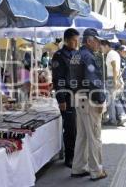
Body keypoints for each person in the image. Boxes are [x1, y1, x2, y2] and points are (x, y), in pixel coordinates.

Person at [70, 28, 107, 181]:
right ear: (90, 40)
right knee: (94, 136)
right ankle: (96, 170)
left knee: (83, 135)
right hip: (89, 98)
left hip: (79, 97)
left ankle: (78, 167)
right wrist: (100, 100)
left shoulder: (76, 55)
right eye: (97, 40)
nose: (99, 44)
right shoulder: (88, 56)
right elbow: (93, 80)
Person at [52, 28, 79, 168]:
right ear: (67, 40)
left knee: (77, 128)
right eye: (74, 40)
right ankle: (69, 157)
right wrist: (61, 99)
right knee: (70, 128)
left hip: (78, 96)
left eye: (77, 40)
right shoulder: (59, 56)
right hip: (67, 96)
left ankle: (76, 154)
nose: (76, 43)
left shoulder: (76, 54)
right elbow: (58, 79)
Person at [101, 40, 123, 126]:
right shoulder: (114, 53)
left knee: (111, 100)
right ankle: (117, 118)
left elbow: (115, 67)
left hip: (112, 78)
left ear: (106, 46)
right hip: (115, 78)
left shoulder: (110, 54)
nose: (101, 49)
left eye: (101, 47)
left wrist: (115, 80)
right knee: (115, 99)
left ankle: (112, 119)